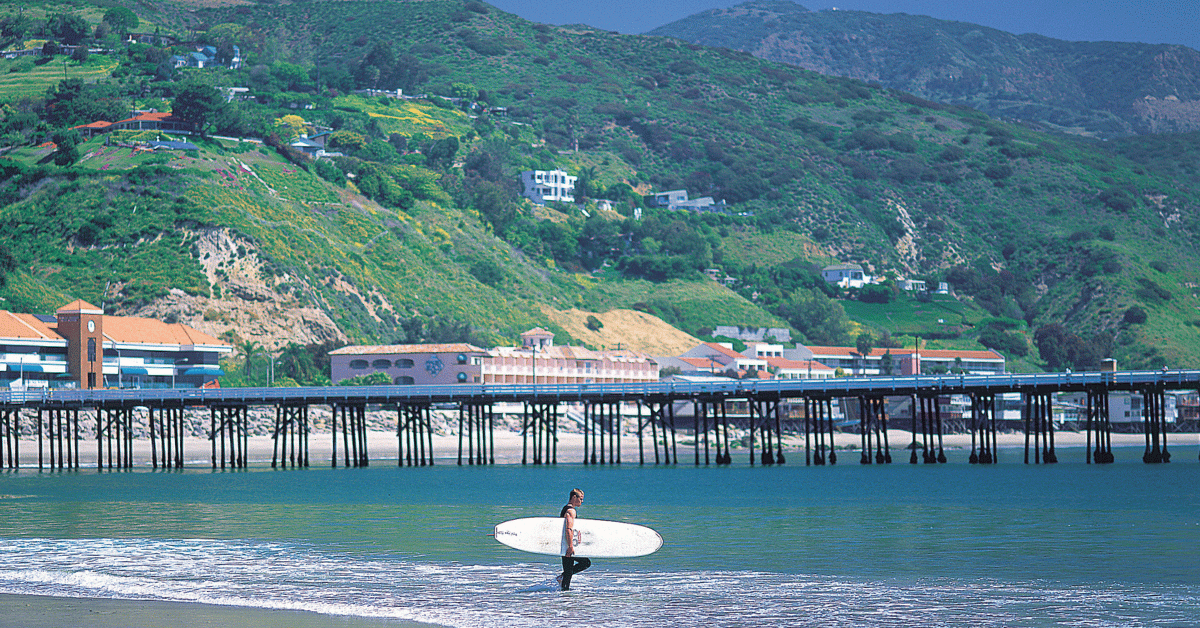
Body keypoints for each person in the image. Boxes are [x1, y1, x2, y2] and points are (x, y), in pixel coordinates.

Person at [556, 488, 590, 590]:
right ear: (574, 497)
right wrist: (570, 546)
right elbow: (568, 529)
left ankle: (564, 599)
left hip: (565, 544)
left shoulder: (565, 509)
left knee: (568, 573)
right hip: (567, 545)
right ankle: (565, 600)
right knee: (585, 563)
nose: (582, 501)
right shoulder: (571, 511)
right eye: (581, 498)